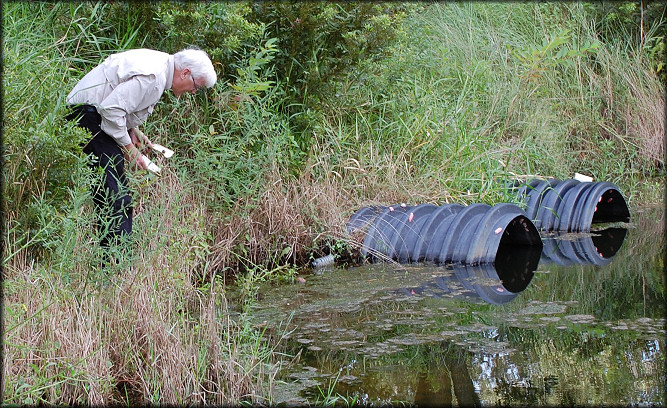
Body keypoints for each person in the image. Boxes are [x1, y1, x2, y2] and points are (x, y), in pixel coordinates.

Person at [65, 48, 217, 265]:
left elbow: (117, 104)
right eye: (196, 86)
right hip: (86, 117)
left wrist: (133, 131)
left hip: (91, 115)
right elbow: (110, 110)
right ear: (185, 73)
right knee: (116, 198)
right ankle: (114, 267)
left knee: (114, 193)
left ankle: (112, 263)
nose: (193, 92)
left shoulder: (160, 65)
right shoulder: (154, 77)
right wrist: (130, 150)